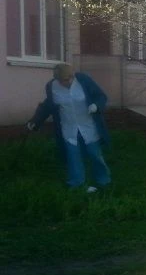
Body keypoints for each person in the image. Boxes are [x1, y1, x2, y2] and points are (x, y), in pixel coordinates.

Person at [26, 63, 111, 192]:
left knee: (95, 154)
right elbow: (47, 106)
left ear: (73, 75)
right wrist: (35, 121)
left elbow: (101, 96)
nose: (67, 82)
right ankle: (77, 184)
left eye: (69, 79)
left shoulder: (83, 80)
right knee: (73, 156)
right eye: (63, 80)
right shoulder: (52, 86)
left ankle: (103, 180)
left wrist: (96, 106)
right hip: (68, 128)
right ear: (56, 79)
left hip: (88, 126)